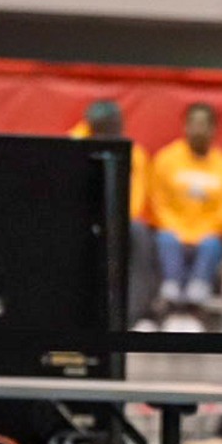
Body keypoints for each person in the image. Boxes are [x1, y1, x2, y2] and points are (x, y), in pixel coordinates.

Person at [148, 102, 222, 327]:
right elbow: (158, 202)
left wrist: (198, 235)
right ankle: (171, 294)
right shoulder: (166, 159)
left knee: (212, 244)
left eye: (203, 125)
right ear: (185, 127)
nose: (198, 130)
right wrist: (179, 231)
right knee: (165, 239)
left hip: (206, 237)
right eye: (193, 124)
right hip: (173, 232)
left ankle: (196, 298)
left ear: (213, 129)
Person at [69, 99, 158, 327]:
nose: (115, 130)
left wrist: (116, 218)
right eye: (108, 127)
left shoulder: (134, 153)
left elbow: (136, 198)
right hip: (80, 217)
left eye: (117, 126)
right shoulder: (72, 145)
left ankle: (131, 317)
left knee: (140, 233)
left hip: (121, 219)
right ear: (94, 127)